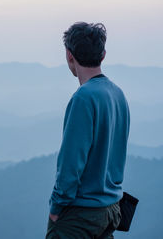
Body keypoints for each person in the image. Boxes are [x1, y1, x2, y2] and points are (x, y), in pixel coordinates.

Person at [46, 22, 130, 239]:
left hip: (81, 216)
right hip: (111, 209)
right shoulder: (118, 94)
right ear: (103, 55)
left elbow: (71, 163)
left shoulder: (83, 98)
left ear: (69, 55)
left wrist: (56, 208)